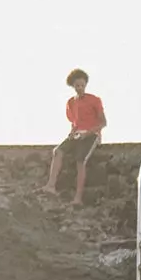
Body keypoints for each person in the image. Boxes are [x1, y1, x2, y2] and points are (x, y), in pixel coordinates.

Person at [42, 68, 107, 205]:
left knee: (80, 161)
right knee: (57, 151)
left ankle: (78, 198)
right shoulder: (71, 103)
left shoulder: (94, 100)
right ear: (73, 86)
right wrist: (72, 132)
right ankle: (51, 185)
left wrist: (88, 133)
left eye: (82, 85)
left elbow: (103, 122)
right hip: (77, 135)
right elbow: (74, 122)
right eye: (77, 85)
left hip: (91, 135)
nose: (80, 88)